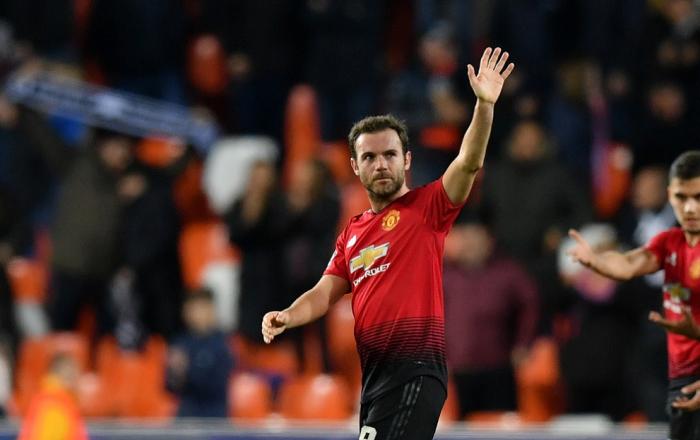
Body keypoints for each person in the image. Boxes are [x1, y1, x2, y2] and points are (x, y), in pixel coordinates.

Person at [262, 47, 514, 440]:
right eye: (370, 157)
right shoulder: (353, 233)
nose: (380, 164)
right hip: (375, 381)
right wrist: (288, 315)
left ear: (406, 160)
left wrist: (484, 105)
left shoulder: (429, 208)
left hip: (416, 371)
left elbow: (468, 162)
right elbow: (324, 292)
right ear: (354, 166)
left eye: (389, 155)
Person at [567, 150, 700, 439]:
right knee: (654, 391)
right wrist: (598, 262)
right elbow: (630, 264)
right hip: (648, 324)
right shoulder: (639, 226)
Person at [166, 288, 234, 418]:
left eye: (201, 308)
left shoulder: (223, 343)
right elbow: (170, 387)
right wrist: (175, 373)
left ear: (211, 310)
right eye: (192, 308)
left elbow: (216, 384)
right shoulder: (180, 342)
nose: (196, 314)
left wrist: (187, 369)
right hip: (186, 415)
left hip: (214, 416)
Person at [18, 353, 87, 440]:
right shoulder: (57, 404)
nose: (78, 376)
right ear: (69, 373)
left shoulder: (46, 398)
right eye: (75, 370)